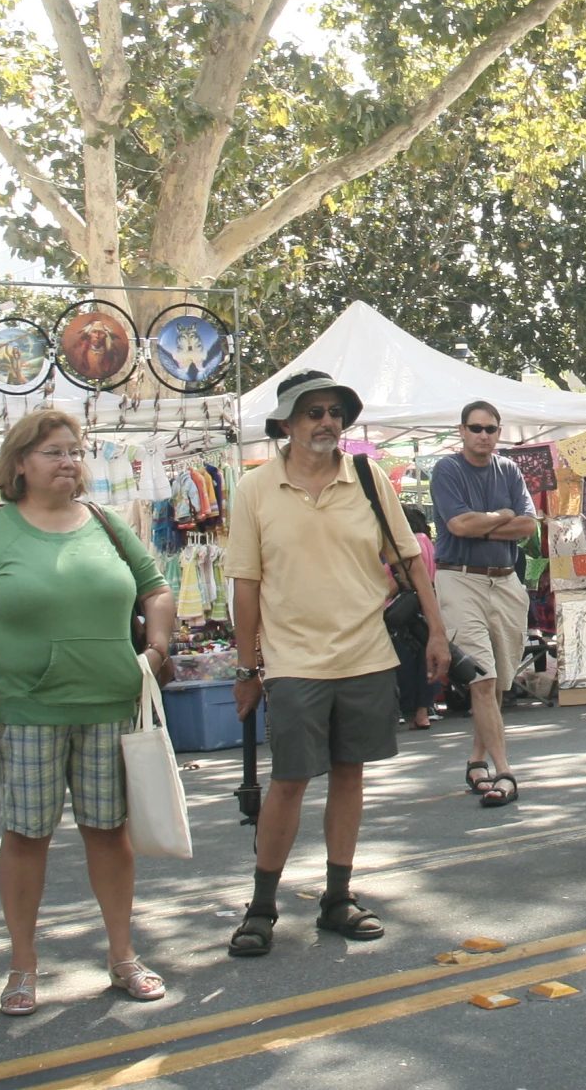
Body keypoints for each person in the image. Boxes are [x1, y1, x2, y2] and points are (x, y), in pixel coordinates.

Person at [0, 408, 176, 1016]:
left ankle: (123, 955)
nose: (69, 460)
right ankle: (23, 966)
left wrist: (155, 648)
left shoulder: (103, 522)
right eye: (53, 451)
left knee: (109, 833)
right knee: (26, 836)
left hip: (111, 704)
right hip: (27, 711)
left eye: (74, 450)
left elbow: (156, 586)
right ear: (19, 463)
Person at [225, 370, 448, 957]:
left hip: (366, 653)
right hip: (293, 660)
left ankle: (338, 897)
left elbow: (409, 559)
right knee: (290, 780)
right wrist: (247, 670)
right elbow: (245, 586)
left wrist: (438, 633)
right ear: (286, 424)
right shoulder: (254, 489)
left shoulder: (369, 478)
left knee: (351, 774)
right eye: (313, 412)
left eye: (334, 412)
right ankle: (262, 905)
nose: (326, 422)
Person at [430, 399, 538, 807]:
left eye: (490, 429)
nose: (483, 436)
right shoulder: (447, 469)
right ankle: (504, 771)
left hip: (505, 581)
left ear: (498, 432)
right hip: (460, 578)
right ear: (461, 431)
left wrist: (484, 525)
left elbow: (527, 526)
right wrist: (501, 517)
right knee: (483, 679)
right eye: (475, 428)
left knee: (498, 681)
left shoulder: (509, 469)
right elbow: (458, 525)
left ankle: (476, 760)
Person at [397, 503, 442, 730]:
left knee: (407, 661)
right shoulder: (429, 543)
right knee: (427, 660)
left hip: (408, 608)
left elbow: (404, 575)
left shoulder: (409, 544)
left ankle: (412, 710)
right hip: (429, 606)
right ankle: (425, 709)